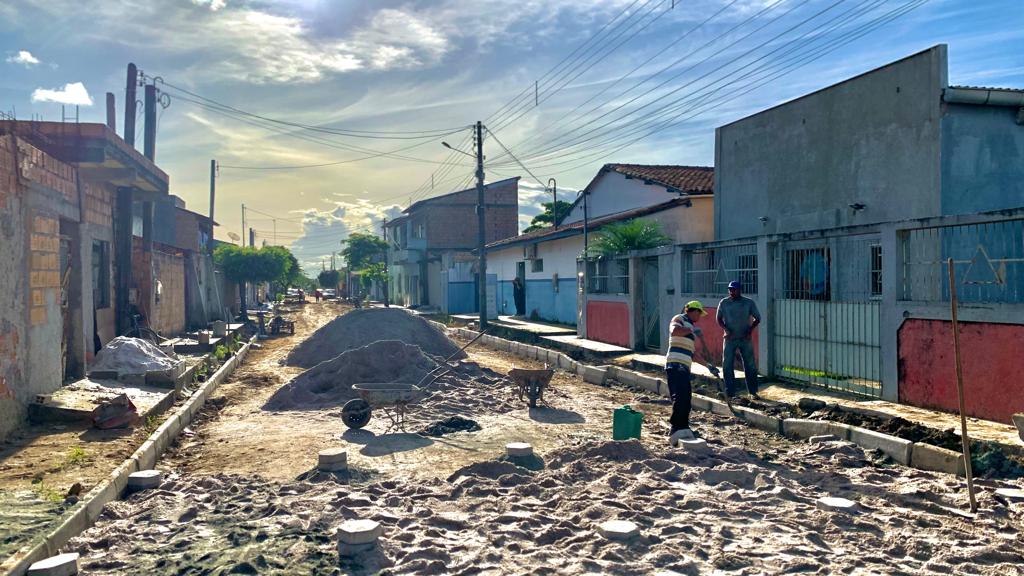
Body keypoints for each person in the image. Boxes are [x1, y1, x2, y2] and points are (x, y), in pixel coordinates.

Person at [665, 301, 717, 446]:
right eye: (699, 313)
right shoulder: (679, 319)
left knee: (686, 399)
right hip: (675, 364)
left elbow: (692, 354)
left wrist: (709, 366)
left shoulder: (691, 328)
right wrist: (692, 331)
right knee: (680, 397)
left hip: (685, 367)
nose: (700, 316)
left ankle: (683, 426)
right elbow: (674, 331)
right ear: (692, 311)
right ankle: (676, 428)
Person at [716, 280, 762, 399]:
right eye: (730, 289)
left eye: (734, 289)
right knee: (727, 365)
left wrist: (750, 330)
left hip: (744, 338)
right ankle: (730, 392)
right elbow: (719, 319)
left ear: (740, 290)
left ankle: (752, 392)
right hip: (730, 338)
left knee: (750, 365)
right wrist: (726, 329)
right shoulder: (724, 303)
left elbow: (758, 318)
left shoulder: (748, 303)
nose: (732, 291)